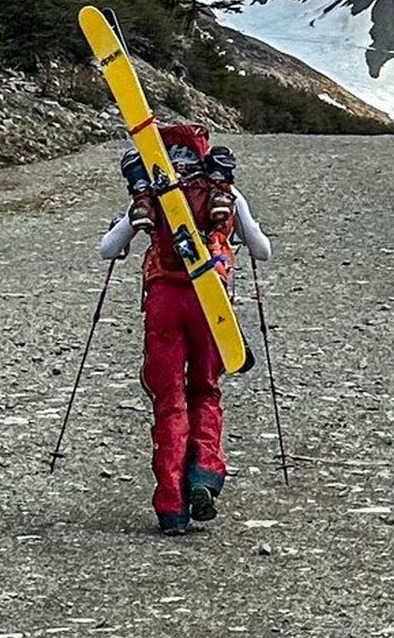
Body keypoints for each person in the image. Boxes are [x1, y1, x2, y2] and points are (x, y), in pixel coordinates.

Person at [100, 122, 271, 535]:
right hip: (210, 304)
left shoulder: (151, 195)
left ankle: (171, 505)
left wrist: (129, 230)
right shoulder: (224, 194)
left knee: (168, 399)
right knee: (205, 390)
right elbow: (262, 250)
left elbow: (107, 248)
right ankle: (205, 474)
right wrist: (237, 238)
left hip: (164, 304)